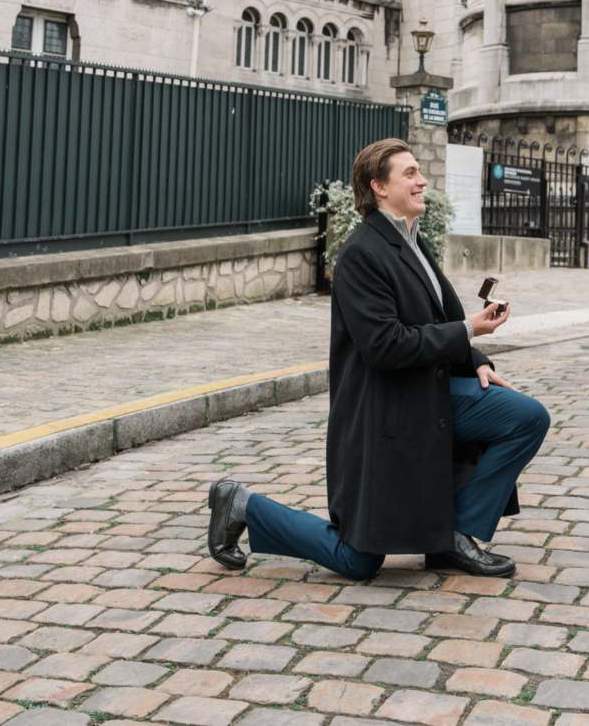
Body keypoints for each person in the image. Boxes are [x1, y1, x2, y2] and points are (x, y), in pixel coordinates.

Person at [207, 138, 550, 581]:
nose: (422, 180)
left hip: (425, 395)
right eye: (409, 173)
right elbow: (385, 345)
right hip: (383, 414)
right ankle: (242, 504)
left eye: (418, 171)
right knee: (359, 561)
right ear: (379, 188)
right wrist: (468, 330)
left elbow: (441, 317)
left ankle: (453, 536)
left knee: (524, 417)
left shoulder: (410, 239)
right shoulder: (361, 253)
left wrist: (475, 358)